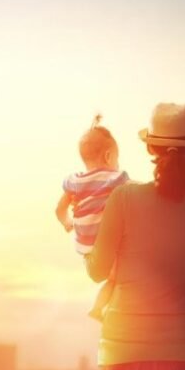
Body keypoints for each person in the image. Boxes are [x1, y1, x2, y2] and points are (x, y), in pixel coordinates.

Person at [84, 103, 185, 370]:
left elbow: (97, 272)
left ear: (149, 149)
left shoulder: (123, 198)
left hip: (121, 351)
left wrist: (84, 242)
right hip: (180, 353)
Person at [56, 114, 129, 320]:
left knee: (111, 278)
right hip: (106, 247)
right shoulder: (116, 179)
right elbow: (137, 190)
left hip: (86, 250)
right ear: (108, 157)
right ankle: (98, 308)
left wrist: (67, 222)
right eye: (117, 157)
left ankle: (98, 308)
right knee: (116, 279)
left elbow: (59, 209)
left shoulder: (75, 182)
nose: (118, 163)